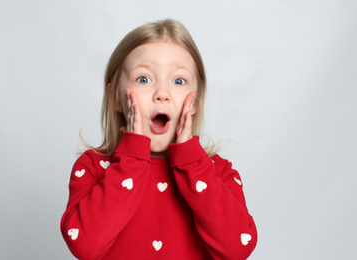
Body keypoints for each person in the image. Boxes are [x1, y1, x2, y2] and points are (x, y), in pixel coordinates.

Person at [60, 19, 257, 260]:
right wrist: (131, 159)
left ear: (195, 102)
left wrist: (192, 164)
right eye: (144, 79)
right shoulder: (93, 167)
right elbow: (86, 248)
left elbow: (237, 249)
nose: (162, 94)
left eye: (178, 81)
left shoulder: (218, 172)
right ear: (115, 98)